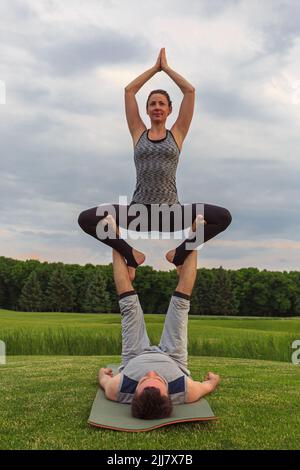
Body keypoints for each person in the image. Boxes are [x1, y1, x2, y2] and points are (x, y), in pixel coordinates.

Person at [78, 48, 232, 281]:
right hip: (138, 212)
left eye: (162, 103)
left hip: (172, 213)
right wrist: (154, 69)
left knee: (223, 216)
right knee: (86, 219)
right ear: (147, 110)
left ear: (170, 109)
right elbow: (129, 91)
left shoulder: (177, 134)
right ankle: (131, 255)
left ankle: (178, 255)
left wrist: (167, 69)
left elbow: (189, 91)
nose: (157, 107)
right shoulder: (138, 132)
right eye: (152, 104)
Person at [98, 217, 220, 419]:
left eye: (145, 379)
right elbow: (208, 385)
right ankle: (195, 235)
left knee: (128, 304)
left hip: (134, 356)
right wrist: (213, 380)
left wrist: (103, 374)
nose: (152, 373)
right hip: (173, 358)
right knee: (181, 302)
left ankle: (115, 235)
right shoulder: (186, 391)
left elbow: (102, 380)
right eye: (158, 380)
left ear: (133, 393)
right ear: (170, 395)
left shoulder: (117, 390)